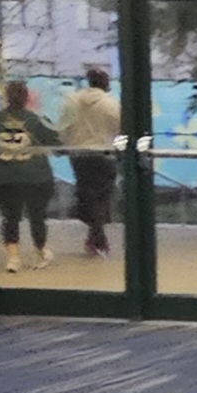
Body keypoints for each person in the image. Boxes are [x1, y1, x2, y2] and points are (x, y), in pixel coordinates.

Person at [0, 78, 62, 274]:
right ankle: (41, 250)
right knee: (37, 216)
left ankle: (13, 258)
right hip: (35, 177)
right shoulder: (36, 120)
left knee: (10, 217)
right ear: (27, 97)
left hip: (4, 177)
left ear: (6, 97)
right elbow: (57, 145)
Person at [56, 66, 121, 258]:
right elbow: (120, 129)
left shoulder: (72, 101)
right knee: (102, 196)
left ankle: (95, 237)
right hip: (104, 154)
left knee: (87, 194)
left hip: (78, 155)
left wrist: (64, 145)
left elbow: (63, 128)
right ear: (106, 84)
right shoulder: (112, 104)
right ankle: (97, 237)